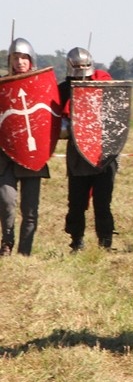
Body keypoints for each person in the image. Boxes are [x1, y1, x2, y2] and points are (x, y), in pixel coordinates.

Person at [58, 47, 118, 251]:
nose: (82, 69)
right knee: (76, 202)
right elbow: (58, 123)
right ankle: (77, 241)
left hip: (103, 151)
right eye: (77, 66)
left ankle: (106, 242)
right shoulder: (64, 89)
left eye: (84, 65)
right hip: (77, 153)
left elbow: (115, 115)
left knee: (103, 201)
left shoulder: (103, 83)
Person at [0, 38, 50, 256]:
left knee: (30, 210)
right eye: (15, 57)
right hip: (4, 156)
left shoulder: (41, 87)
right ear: (9, 60)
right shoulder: (2, 86)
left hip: (31, 156)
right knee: (6, 202)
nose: (20, 61)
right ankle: (7, 243)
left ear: (31, 60)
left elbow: (50, 117)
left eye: (24, 57)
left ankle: (25, 252)